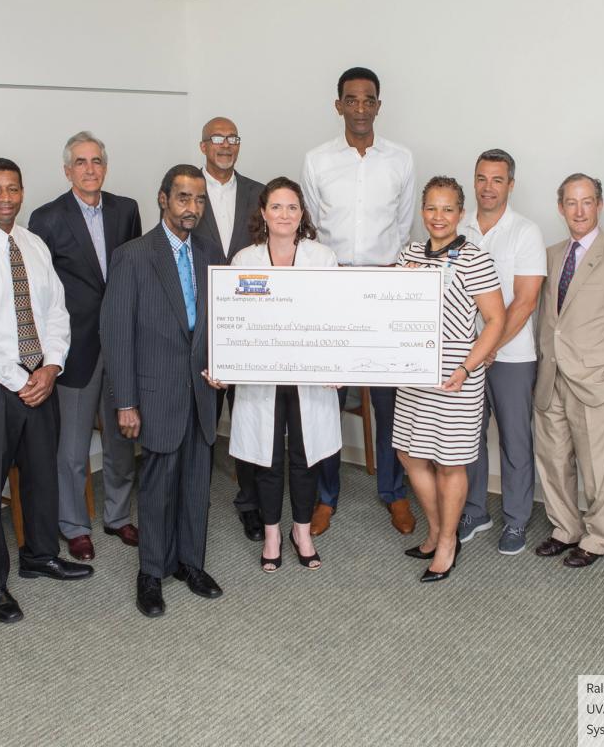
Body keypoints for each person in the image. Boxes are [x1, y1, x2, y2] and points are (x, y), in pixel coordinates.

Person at [0, 158, 93, 626]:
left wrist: (51, 367)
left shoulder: (34, 245)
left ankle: (40, 556)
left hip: (39, 380)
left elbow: (55, 313)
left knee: (41, 473)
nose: (5, 198)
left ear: (22, 192)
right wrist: (19, 378)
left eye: (13, 189)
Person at [101, 164, 223, 618]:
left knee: (196, 483)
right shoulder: (133, 255)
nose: (192, 208)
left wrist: (224, 365)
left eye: (199, 200)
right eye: (184, 198)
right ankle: (150, 573)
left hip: (202, 391)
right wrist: (126, 402)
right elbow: (116, 334)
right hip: (155, 394)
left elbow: (221, 324)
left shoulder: (211, 252)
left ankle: (191, 564)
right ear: (163, 199)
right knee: (157, 487)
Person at [301, 66, 417, 537]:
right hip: (333, 290)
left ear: (378, 106)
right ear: (338, 106)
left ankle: (394, 493)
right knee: (329, 399)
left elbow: (406, 227)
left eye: (369, 100)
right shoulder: (316, 161)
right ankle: (326, 496)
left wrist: (390, 279)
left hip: (384, 292)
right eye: (352, 100)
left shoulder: (402, 160)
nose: (361, 109)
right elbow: (310, 225)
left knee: (392, 403)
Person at [208, 177, 341, 572]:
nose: (285, 214)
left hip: (310, 376)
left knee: (303, 456)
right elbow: (230, 321)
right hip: (261, 378)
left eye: (293, 207)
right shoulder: (244, 261)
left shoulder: (322, 258)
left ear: (302, 215)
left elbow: (338, 317)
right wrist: (222, 364)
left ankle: (301, 530)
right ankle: (271, 532)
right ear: (263, 213)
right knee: (265, 459)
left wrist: (340, 363)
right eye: (277, 207)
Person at [28, 131, 142, 562]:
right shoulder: (46, 218)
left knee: (120, 441)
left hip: (121, 342)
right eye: (80, 162)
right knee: (72, 449)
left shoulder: (126, 209)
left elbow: (134, 272)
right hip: (73, 349)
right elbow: (41, 293)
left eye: (96, 161)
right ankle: (74, 526)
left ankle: (117, 516)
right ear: (67, 170)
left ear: (105, 167)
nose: (89, 169)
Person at [532, 174, 604, 568]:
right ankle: (565, 529)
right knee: (553, 462)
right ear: (560, 207)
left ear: (599, 204)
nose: (578, 210)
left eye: (586, 202)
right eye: (570, 202)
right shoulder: (549, 255)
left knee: (599, 471)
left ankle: (597, 538)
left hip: (597, 384)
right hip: (551, 380)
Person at [394, 176, 505, 582]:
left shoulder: (475, 258)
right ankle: (439, 529)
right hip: (412, 372)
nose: (438, 217)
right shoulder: (409, 253)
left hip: (455, 374)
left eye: (447, 209)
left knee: (449, 463)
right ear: (422, 211)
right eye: (431, 208)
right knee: (410, 454)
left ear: (461, 214)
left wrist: (466, 368)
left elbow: (496, 321)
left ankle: (445, 543)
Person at [458, 149, 548, 555]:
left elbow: (526, 300)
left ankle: (515, 520)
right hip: (464, 356)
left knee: (514, 440)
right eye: (481, 178)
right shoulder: (456, 227)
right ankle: (475, 510)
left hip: (511, 356)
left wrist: (490, 345)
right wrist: (475, 351)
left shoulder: (525, 231)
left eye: (497, 179)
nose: (488, 187)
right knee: (468, 438)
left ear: (511, 184)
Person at [191, 116, 267, 543]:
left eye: (232, 138)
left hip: (247, 324)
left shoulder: (259, 193)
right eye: (217, 139)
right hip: (197, 322)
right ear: (203, 146)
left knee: (249, 415)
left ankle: (250, 503)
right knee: (201, 414)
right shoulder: (187, 189)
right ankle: (193, 496)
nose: (225, 145)